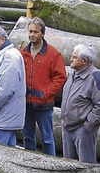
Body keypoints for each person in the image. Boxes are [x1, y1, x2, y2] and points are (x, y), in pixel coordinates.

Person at [20, 17, 67, 156]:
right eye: (30, 31)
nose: (32, 35)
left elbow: (61, 77)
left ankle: (50, 162)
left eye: (35, 32)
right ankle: (28, 160)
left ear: (42, 33)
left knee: (47, 138)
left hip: (44, 104)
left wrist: (47, 93)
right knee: (28, 136)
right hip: (26, 102)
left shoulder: (53, 54)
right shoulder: (23, 53)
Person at [61, 44, 100, 163]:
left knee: (86, 167)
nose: (71, 59)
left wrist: (88, 126)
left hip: (82, 129)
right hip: (67, 127)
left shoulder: (96, 77)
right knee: (67, 165)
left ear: (84, 61)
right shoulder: (73, 74)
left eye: (74, 57)